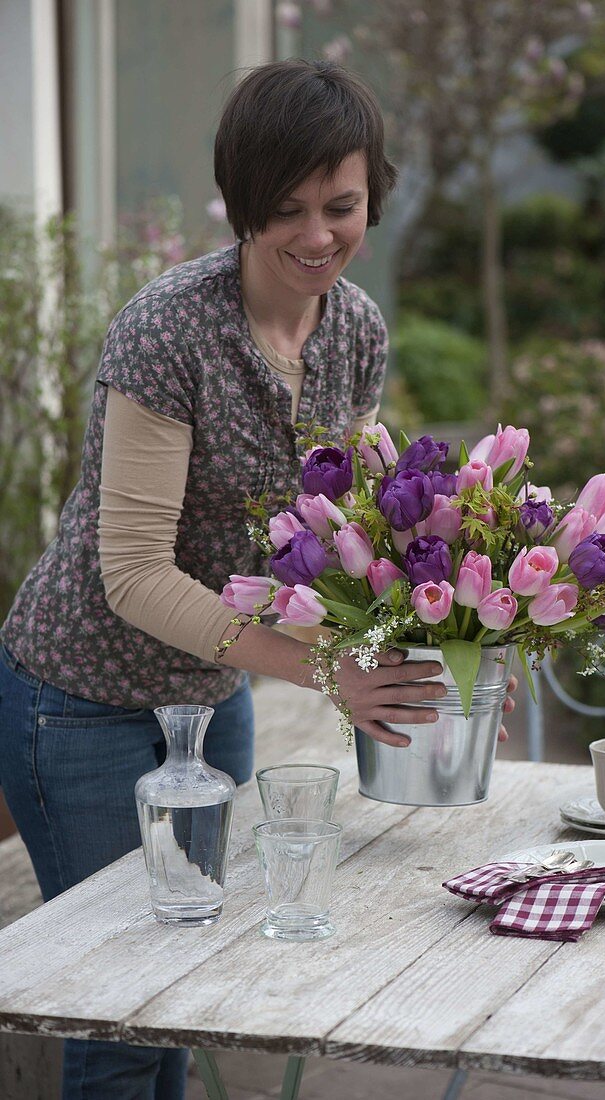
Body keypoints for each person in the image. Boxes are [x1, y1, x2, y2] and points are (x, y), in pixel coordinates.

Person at [0, 59, 515, 1099]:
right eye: (286, 209)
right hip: (80, 697)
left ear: (374, 194)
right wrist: (332, 674)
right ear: (240, 201)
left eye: (343, 205)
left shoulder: (354, 328)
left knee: (189, 988)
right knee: (117, 1005)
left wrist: (449, 660)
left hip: (212, 684)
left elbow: (351, 530)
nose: (319, 236)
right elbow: (134, 573)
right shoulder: (170, 330)